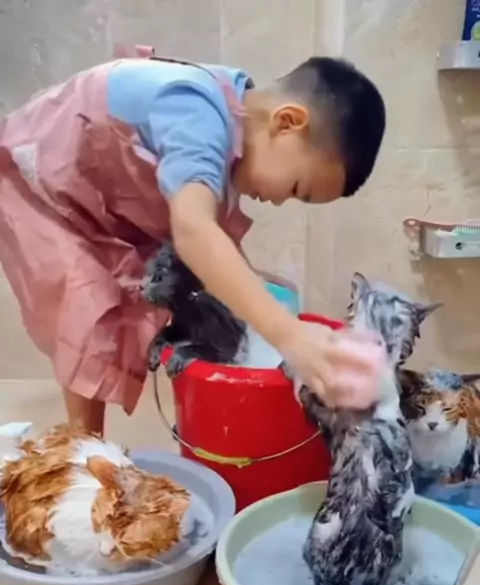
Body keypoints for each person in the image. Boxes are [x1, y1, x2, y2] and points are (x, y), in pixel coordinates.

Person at [0, 48, 387, 435]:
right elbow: (194, 230)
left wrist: (266, 303)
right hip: (42, 186)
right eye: (298, 188)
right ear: (286, 122)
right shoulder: (197, 113)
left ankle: (86, 446)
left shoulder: (235, 113)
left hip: (95, 198)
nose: (283, 201)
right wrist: (290, 335)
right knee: (88, 307)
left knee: (132, 300)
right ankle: (83, 448)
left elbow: (215, 245)